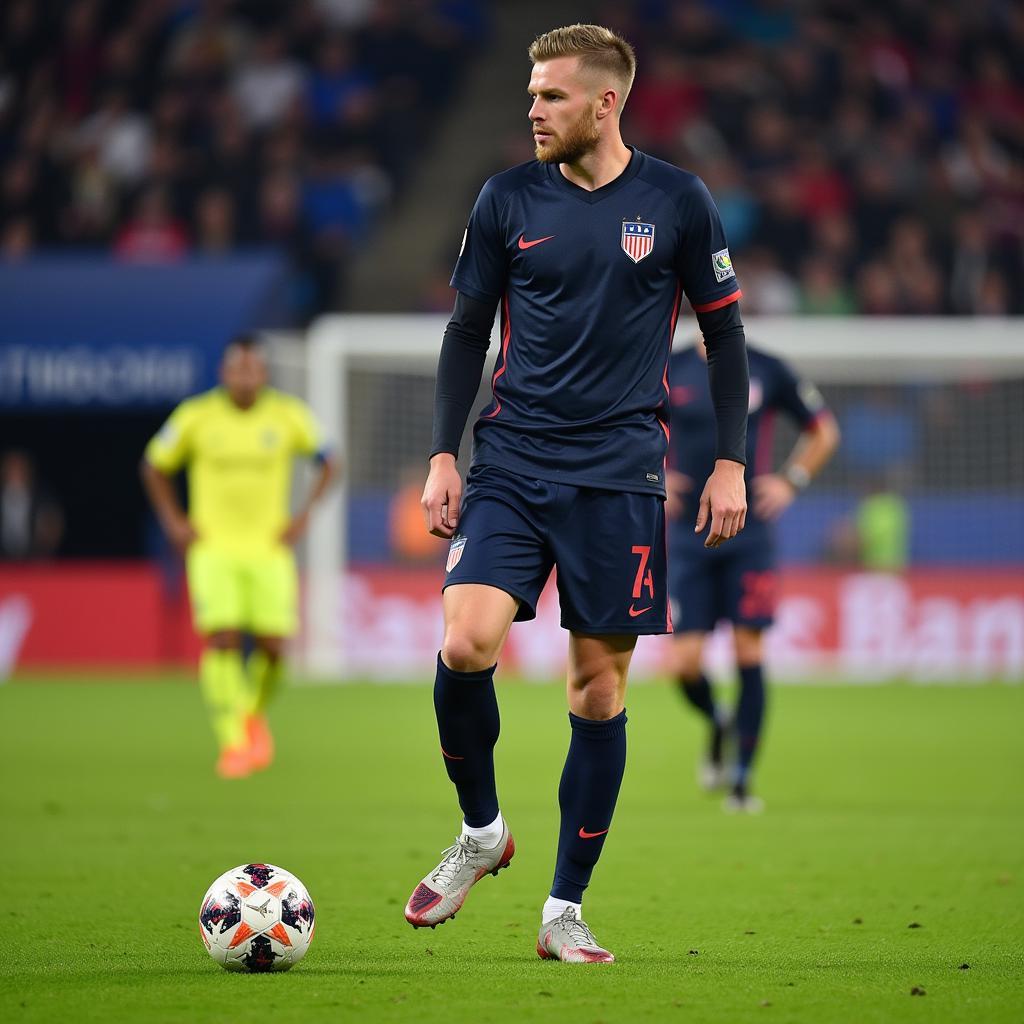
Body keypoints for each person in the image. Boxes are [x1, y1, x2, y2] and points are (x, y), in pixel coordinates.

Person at [403, 24, 750, 964]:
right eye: (529, 92)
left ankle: (563, 909)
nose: (533, 108)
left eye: (551, 95)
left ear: (606, 102)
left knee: (596, 694)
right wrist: (443, 453)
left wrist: (731, 462)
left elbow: (725, 337)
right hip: (512, 463)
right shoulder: (505, 198)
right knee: (464, 640)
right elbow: (466, 329)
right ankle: (482, 833)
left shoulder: (677, 201)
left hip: (620, 476)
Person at [141, 336, 337, 779]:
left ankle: (250, 714)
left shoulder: (288, 416)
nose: (245, 377)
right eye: (237, 369)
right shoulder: (195, 417)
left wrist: (303, 517)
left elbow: (329, 460)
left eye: (253, 369)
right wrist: (174, 521)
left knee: (273, 649)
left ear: (263, 374)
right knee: (223, 638)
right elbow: (153, 464)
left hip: (269, 550)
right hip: (214, 549)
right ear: (223, 373)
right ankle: (232, 741)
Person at [667, 336, 839, 812]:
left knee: (749, 648)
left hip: (750, 536)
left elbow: (824, 431)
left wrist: (791, 480)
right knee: (683, 662)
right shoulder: (667, 364)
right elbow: (627, 420)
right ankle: (720, 721)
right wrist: (655, 470)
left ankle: (742, 780)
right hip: (687, 536)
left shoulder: (766, 367)